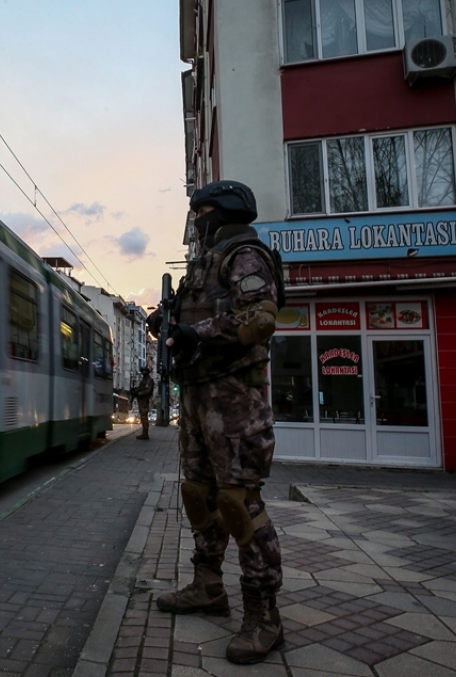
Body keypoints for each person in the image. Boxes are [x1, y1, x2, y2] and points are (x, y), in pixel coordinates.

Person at [154, 179, 284, 665]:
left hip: (233, 398)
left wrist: (195, 330)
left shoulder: (245, 254)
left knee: (238, 502)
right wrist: (167, 325)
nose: (197, 220)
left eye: (201, 210)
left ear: (224, 209)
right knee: (199, 494)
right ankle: (208, 586)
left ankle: (263, 614)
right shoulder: (204, 264)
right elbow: (195, 321)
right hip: (197, 395)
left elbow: (259, 318)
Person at [132, 366, 155, 439]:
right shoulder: (144, 380)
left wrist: (139, 393)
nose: (143, 373)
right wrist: (135, 391)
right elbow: (140, 388)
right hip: (142, 400)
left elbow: (147, 390)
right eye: (143, 371)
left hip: (144, 400)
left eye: (145, 371)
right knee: (143, 417)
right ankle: (144, 432)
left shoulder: (149, 380)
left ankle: (145, 433)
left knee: (144, 417)